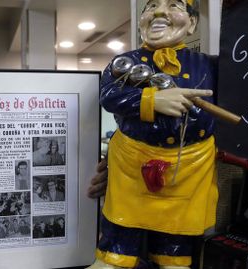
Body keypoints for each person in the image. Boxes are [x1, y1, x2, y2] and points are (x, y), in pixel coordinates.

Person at [88, 1, 218, 269]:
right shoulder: (126, 62)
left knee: (175, 242)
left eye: (173, 5)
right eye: (152, 6)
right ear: (141, 21)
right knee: (120, 235)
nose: (159, 12)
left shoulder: (210, 66)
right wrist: (152, 101)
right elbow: (110, 96)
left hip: (189, 168)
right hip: (132, 165)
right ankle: (114, 258)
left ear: (192, 23)